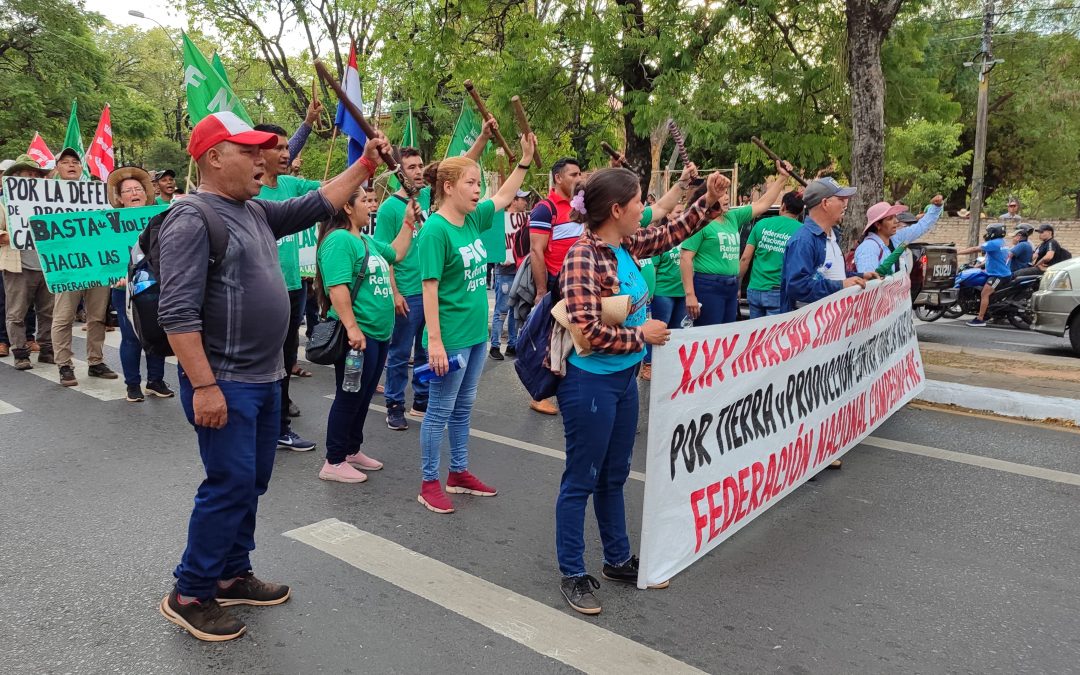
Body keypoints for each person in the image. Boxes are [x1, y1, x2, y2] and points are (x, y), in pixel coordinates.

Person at [155, 111, 390, 642]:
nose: (265, 159)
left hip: (263, 380)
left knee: (253, 479)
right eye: (250, 151)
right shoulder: (193, 218)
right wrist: (207, 386)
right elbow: (177, 314)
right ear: (215, 157)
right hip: (226, 381)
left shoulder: (253, 211)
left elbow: (316, 204)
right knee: (230, 481)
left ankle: (232, 572)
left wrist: (365, 165)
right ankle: (190, 591)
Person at [555, 168, 729, 615]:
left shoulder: (626, 245)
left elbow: (673, 231)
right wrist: (643, 338)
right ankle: (572, 572)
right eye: (638, 202)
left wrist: (707, 199)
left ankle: (616, 559)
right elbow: (587, 332)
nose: (644, 209)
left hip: (624, 382)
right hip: (589, 384)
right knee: (581, 480)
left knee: (613, 477)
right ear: (616, 210)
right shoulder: (582, 257)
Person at [415, 132, 536, 514]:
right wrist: (434, 342)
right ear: (448, 187)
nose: (478, 190)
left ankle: (459, 472)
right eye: (470, 183)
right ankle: (430, 480)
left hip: (475, 335)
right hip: (448, 338)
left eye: (478, 183)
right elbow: (429, 288)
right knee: (440, 409)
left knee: (464, 407)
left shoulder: (472, 218)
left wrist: (525, 161)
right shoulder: (436, 229)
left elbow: (502, 198)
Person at [377, 123, 496, 431]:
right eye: (411, 168)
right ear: (398, 172)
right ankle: (393, 403)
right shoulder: (391, 208)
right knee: (400, 351)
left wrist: (482, 137)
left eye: (420, 166)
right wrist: (395, 292)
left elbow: (459, 169)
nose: (418, 172)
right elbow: (385, 253)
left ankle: (421, 397)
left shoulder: (430, 197)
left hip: (433, 291)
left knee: (425, 352)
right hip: (408, 290)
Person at [315, 187, 420, 483]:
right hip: (357, 337)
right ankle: (333, 460)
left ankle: (351, 450)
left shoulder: (366, 239)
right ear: (347, 208)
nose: (370, 206)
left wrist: (409, 223)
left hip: (377, 334)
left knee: (362, 397)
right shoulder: (338, 241)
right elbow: (338, 288)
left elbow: (397, 253)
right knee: (349, 396)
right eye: (363, 201)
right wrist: (352, 327)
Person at [254, 122, 322, 452]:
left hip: (294, 286)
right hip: (263, 291)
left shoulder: (292, 185)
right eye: (278, 148)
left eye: (286, 148)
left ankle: (279, 422)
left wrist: (365, 166)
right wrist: (307, 124)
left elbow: (328, 189)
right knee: (265, 361)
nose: (286, 154)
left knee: (285, 357)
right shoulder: (250, 194)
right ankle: (266, 421)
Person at [682, 163, 791, 325]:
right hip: (708, 286)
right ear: (709, 196)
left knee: (726, 336)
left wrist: (782, 178)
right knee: (711, 335)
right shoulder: (699, 222)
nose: (726, 197)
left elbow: (761, 205)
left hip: (731, 286)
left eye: (727, 193)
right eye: (721, 193)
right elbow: (685, 258)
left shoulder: (732, 217)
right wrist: (690, 294)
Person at [51, 146, 118, 386]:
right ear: (57, 168)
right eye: (65, 161)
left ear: (82, 168)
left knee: (97, 316)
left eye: (75, 162)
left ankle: (96, 361)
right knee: (64, 316)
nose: (71, 165)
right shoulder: (45, 195)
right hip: (67, 266)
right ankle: (64, 365)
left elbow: (110, 224)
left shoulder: (97, 193)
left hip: (97, 264)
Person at [106, 166, 173, 402]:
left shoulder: (160, 217)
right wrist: (117, 275)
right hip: (124, 288)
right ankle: (132, 384)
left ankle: (155, 380)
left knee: (156, 333)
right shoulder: (108, 224)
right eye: (128, 190)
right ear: (120, 197)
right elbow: (107, 257)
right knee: (131, 336)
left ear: (145, 194)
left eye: (138, 189)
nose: (134, 193)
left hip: (155, 286)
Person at [1, 155, 54, 369]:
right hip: (18, 266)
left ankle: (47, 349)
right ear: (15, 177)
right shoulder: (3, 203)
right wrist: (11, 234)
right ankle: (20, 352)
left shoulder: (49, 202)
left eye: (36, 174)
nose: (32, 178)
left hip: (46, 265)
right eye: (27, 174)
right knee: (16, 313)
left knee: (48, 311)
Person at [739, 189, 805, 317]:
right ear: (801, 211)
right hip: (778, 292)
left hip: (754, 290)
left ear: (783, 206)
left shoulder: (761, 224)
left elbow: (745, 259)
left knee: (756, 334)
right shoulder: (801, 231)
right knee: (774, 335)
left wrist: (737, 285)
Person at [853, 194, 944, 275]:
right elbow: (870, 285)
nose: (896, 221)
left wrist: (936, 207)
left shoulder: (897, 238)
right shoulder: (868, 248)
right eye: (890, 218)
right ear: (878, 225)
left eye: (895, 217)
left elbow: (921, 226)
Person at [489, 189, 529, 360]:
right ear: (513, 201)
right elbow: (491, 242)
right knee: (502, 309)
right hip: (505, 271)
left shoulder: (524, 220)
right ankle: (495, 346)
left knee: (515, 310)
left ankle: (512, 344)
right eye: (523, 199)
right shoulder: (500, 221)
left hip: (519, 269)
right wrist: (500, 257)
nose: (526, 203)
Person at [958, 224, 1012, 327]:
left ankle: (980, 319)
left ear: (993, 233)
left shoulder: (993, 243)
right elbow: (991, 258)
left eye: (989, 232)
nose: (987, 234)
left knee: (984, 294)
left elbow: (974, 249)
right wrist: (979, 266)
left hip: (999, 275)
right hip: (997, 272)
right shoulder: (1003, 242)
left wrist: (958, 252)